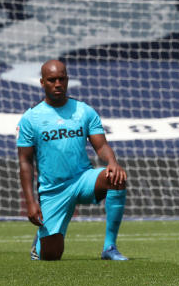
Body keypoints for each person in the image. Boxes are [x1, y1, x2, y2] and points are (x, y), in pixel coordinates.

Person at [17, 59, 130, 262]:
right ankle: (40, 244)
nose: (58, 84)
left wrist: (112, 162)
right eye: (52, 80)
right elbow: (25, 162)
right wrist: (31, 202)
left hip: (82, 179)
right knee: (51, 256)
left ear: (67, 80)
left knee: (116, 178)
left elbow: (101, 146)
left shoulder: (84, 111)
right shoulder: (30, 119)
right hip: (53, 190)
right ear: (42, 83)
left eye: (62, 79)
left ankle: (109, 247)